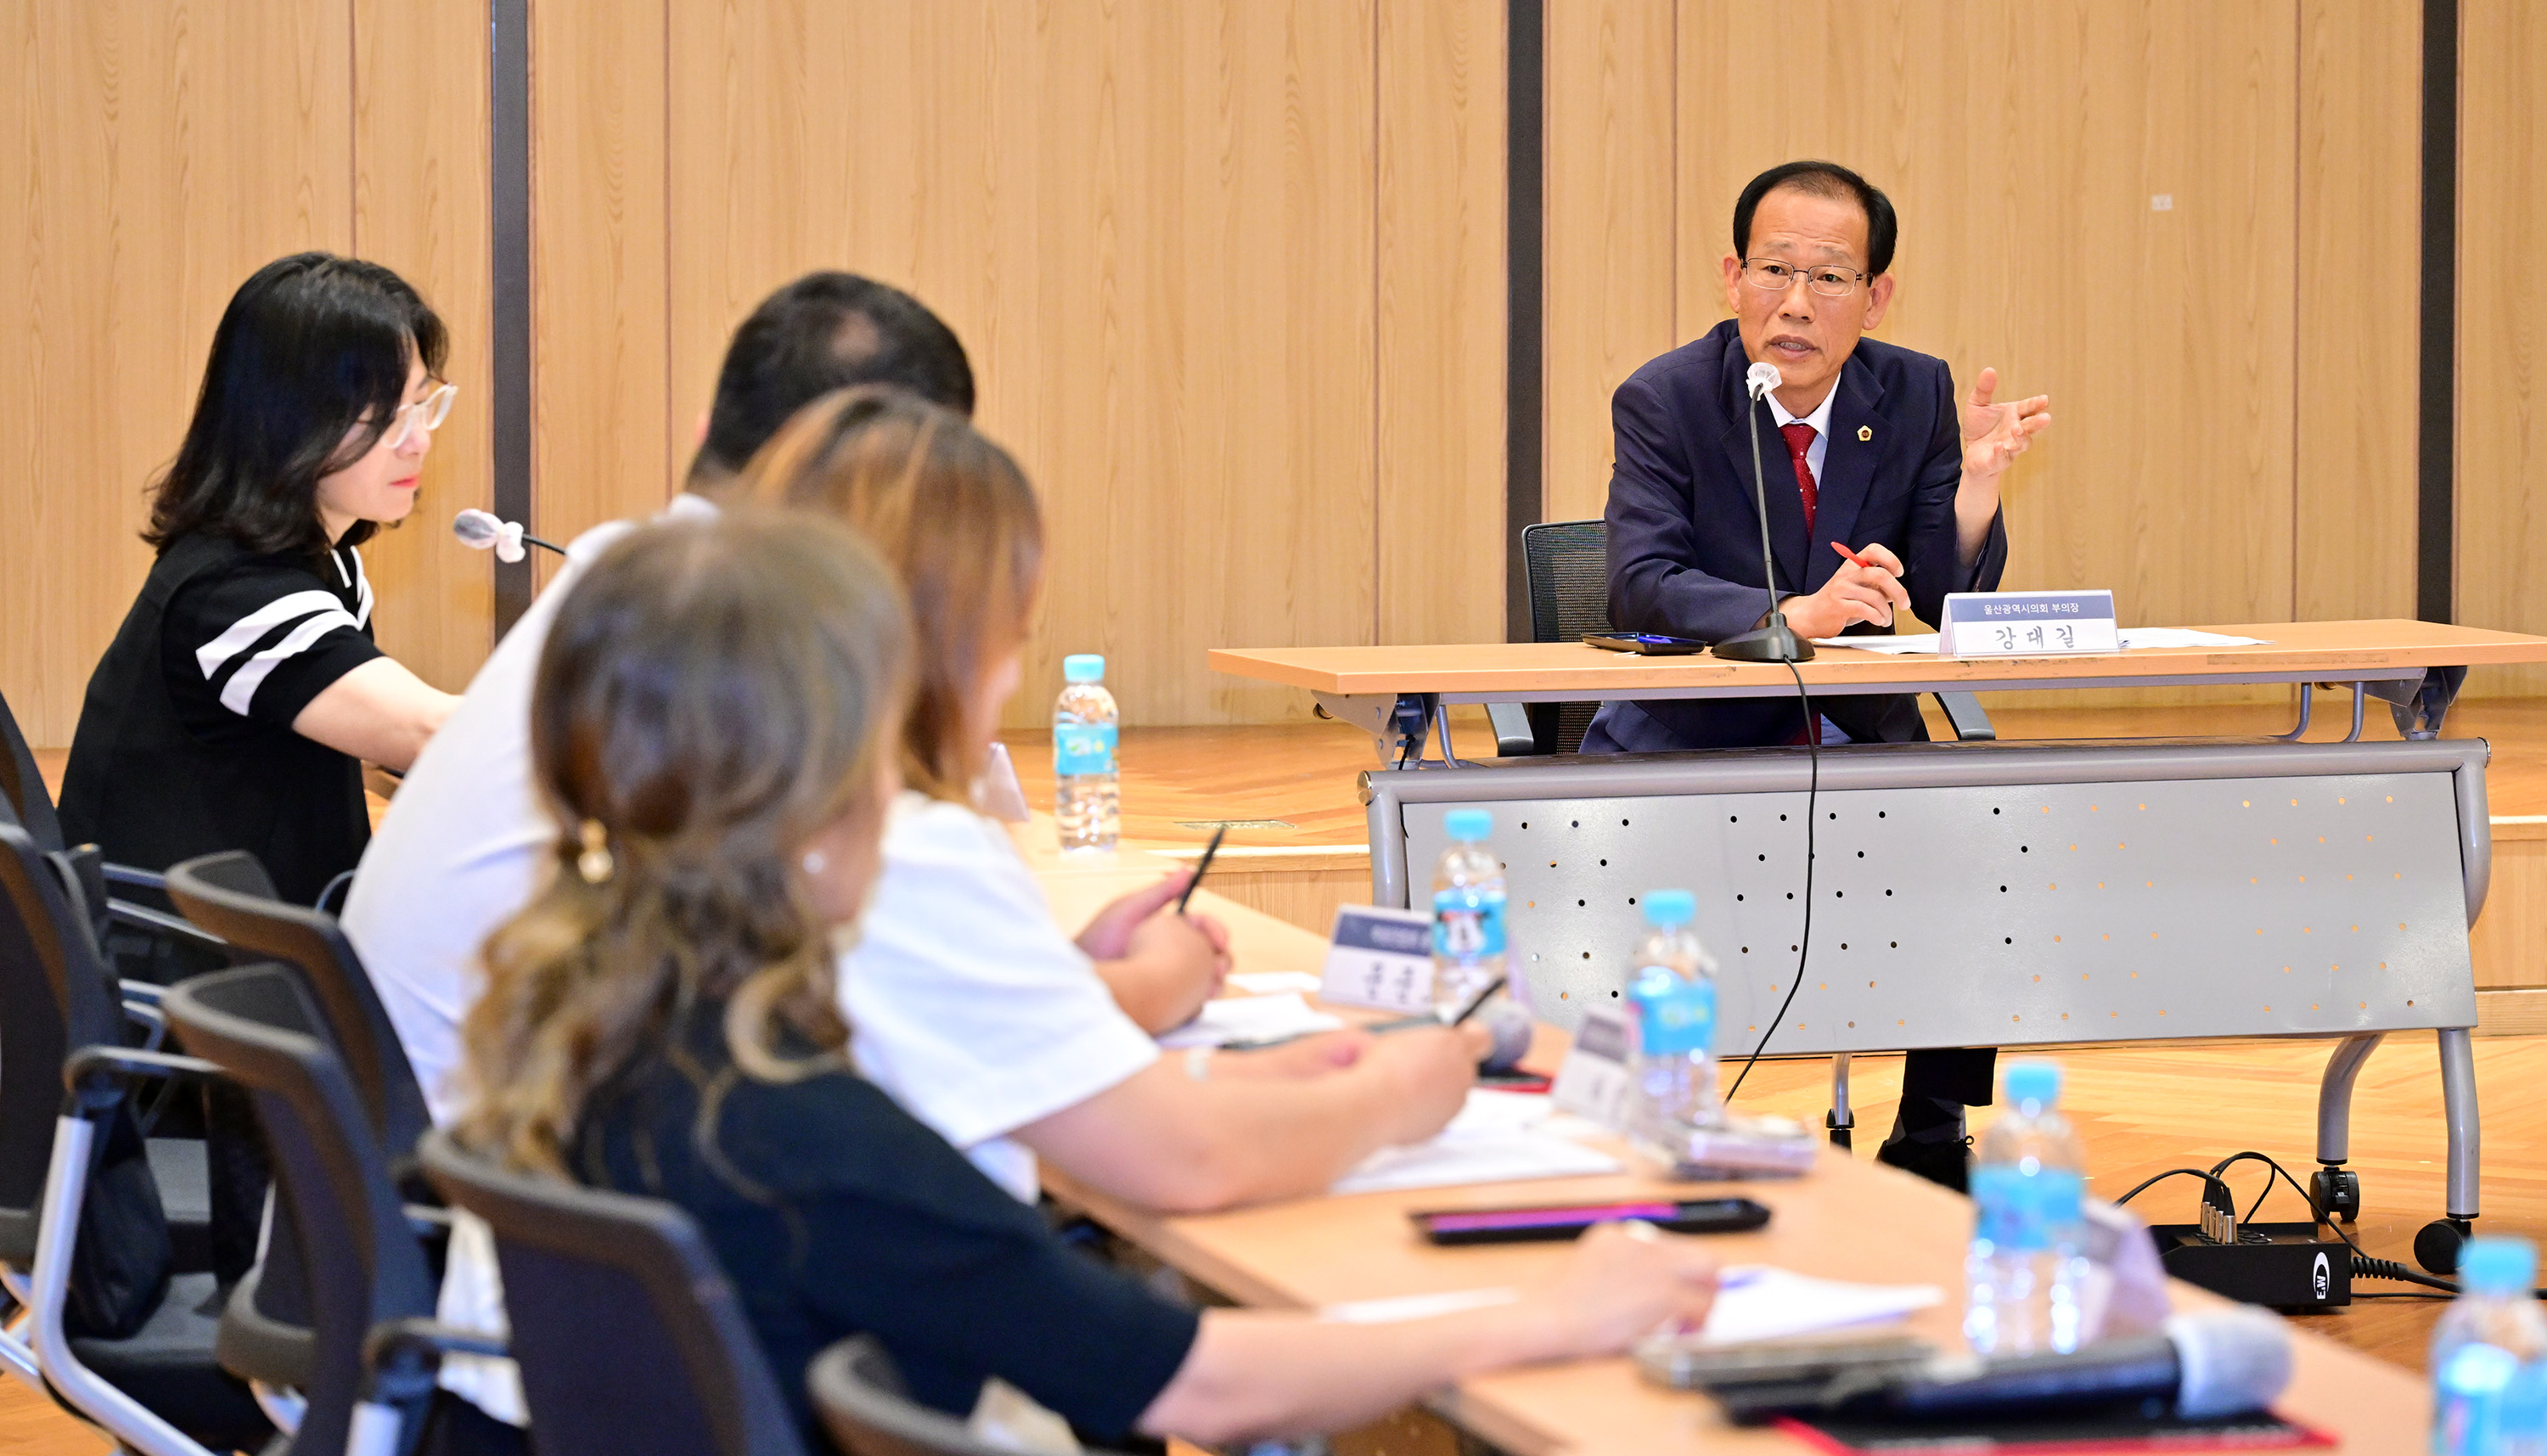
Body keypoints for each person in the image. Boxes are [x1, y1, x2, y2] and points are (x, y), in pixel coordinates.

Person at [455, 511, 1721, 1449]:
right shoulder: (800, 1123)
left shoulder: (595, 1016)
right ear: (816, 791)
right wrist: (1548, 1309)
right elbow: (1202, 1383)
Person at [744, 389, 1485, 1207]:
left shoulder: (748, 824)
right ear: (943, 646)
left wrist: (1061, 976)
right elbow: (1194, 1160)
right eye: (1012, 640)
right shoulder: (908, 850)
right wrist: (1395, 1096)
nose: (1014, 678)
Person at [345, 271, 1004, 1108]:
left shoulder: (627, 579)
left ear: (705, 434)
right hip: (510, 1158)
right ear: (880, 495)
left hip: (448, 1146)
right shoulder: (722, 635)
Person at [1583, 161, 2053, 1189]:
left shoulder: (1915, 388)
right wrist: (1786, 616)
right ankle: (1652, 1108)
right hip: (1696, 737)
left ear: (1876, 295)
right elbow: (1640, 583)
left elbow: (1937, 584)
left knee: (1966, 832)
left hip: (1854, 729)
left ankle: (1932, 1128)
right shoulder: (1666, 399)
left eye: (1830, 277)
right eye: (1774, 270)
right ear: (1731, 277)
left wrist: (1972, 492)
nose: (1796, 303)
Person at [60, 252, 463, 910]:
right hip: (195, 978)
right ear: (286, 422)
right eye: (383, 416)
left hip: (250, 946)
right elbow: (429, 733)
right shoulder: (237, 595)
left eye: (422, 406)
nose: (417, 441)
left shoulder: (318, 562)